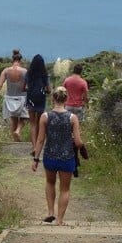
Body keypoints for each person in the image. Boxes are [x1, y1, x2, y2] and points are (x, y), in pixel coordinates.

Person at [31, 86, 85, 226]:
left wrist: (36, 159)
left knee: (50, 183)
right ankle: (60, 220)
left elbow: (40, 140)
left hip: (50, 156)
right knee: (65, 189)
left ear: (52, 98)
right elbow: (78, 142)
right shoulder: (73, 118)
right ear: (66, 99)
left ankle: (50, 213)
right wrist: (82, 147)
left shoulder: (45, 116)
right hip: (67, 158)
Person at [0, 49, 28, 141]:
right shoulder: (25, 71)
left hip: (9, 98)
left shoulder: (6, 71)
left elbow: (0, 84)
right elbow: (28, 86)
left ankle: (14, 141)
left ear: (12, 60)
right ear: (20, 60)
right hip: (22, 98)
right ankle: (18, 131)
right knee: (25, 117)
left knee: (13, 119)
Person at [23, 54, 51, 155]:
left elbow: (23, 88)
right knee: (39, 123)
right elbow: (49, 90)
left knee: (32, 124)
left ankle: (34, 147)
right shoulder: (45, 74)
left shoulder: (28, 73)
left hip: (31, 99)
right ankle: (38, 147)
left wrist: (29, 89)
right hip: (41, 100)